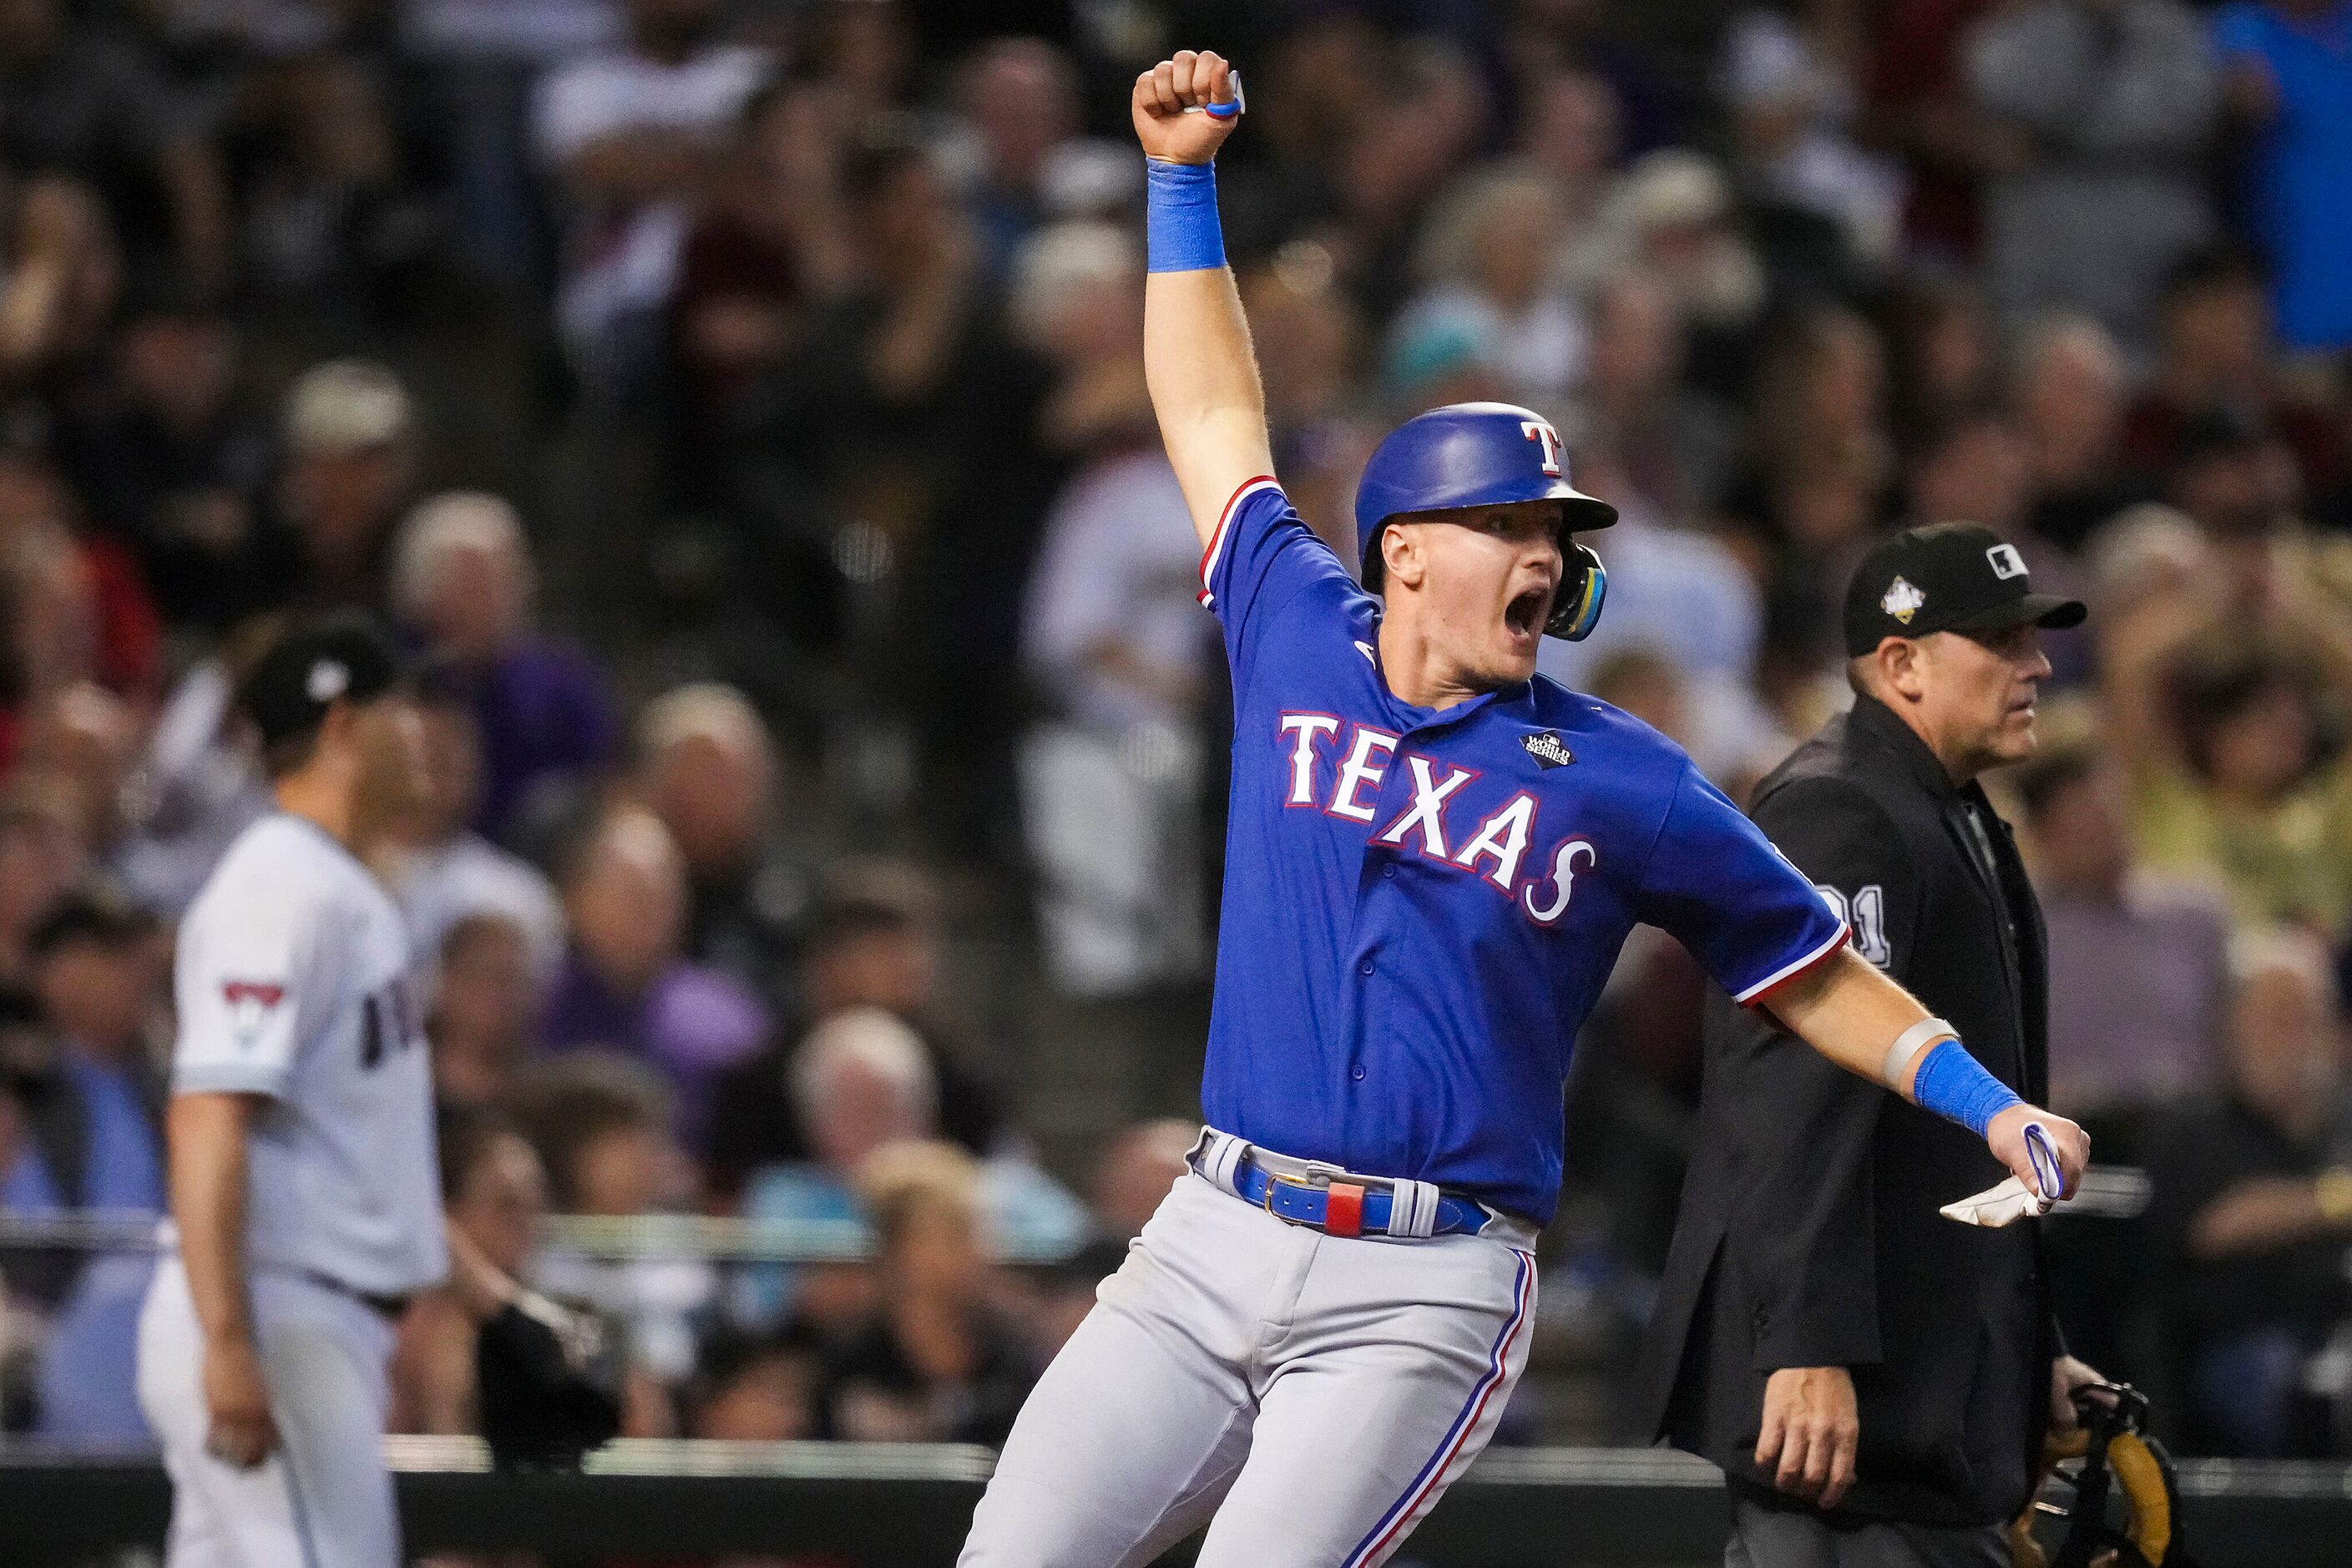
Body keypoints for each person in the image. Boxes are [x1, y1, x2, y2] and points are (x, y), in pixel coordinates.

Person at [959, 55, 2086, 1568]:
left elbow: (1806, 967)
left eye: (1557, 533)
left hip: (1418, 1284)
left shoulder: (1614, 769)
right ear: (1405, 547)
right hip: (1206, 1231)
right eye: (1506, 525)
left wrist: (1985, 1102)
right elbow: (1211, 405)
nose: (1543, 558)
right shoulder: (1293, 624)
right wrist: (1178, 182)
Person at [1641, 524, 2104, 1566]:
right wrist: (1804, 1346)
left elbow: (1967, 1137)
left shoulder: (1955, 810)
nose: (2035, 665)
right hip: (1852, 1406)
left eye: (2033, 639)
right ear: (1900, 663)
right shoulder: (1839, 807)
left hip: (1925, 1391)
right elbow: (1794, 1087)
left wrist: (2035, 1352)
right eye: (1998, 642)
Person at [134, 615, 448, 1568]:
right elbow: (207, 1114)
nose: (425, 731)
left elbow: (358, 1144)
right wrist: (230, 1343)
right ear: (345, 724)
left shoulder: (340, 888)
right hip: (274, 1309)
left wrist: (488, 1297)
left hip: (304, 1310)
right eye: (405, 709)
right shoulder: (282, 887)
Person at [2145, 928, 2352, 1456]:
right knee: (2296, 1392)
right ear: (2232, 1026)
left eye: (2304, 1018)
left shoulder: (2342, 1120)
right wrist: (2335, 1201)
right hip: (2240, 1338)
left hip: (2338, 1323)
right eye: (2272, 1020)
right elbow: (2216, 1226)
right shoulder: (2194, 1126)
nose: (2289, 1038)